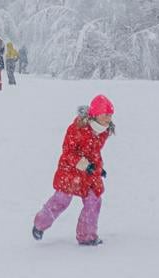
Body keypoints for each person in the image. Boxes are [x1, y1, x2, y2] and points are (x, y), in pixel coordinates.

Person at [32, 95, 115, 246]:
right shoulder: (78, 128)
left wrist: (98, 169)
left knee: (94, 200)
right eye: (105, 115)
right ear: (95, 114)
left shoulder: (103, 131)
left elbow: (94, 152)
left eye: (110, 115)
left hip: (89, 173)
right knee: (62, 200)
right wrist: (84, 164)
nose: (109, 119)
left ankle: (86, 236)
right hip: (70, 171)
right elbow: (68, 152)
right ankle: (40, 224)